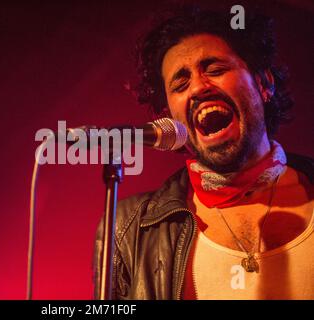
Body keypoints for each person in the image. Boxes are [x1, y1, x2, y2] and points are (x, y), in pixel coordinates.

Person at [93, 6, 314, 300]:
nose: (198, 88)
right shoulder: (130, 228)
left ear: (264, 84)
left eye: (215, 69)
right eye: (181, 84)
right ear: (170, 117)